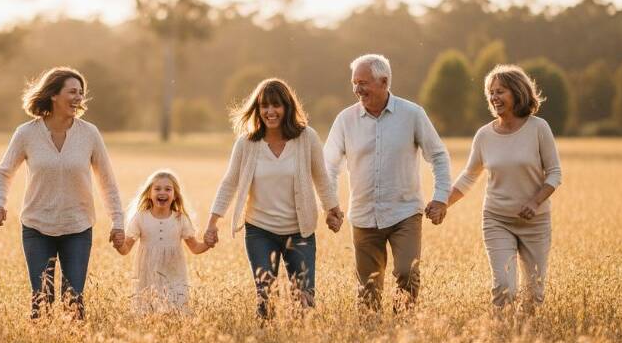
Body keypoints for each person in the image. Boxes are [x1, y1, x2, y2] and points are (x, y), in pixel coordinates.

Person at [0, 67, 125, 320]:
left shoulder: (89, 133)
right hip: (37, 226)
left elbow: (107, 181)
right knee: (42, 298)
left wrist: (118, 222)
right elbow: (3, 172)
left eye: (81, 93)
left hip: (78, 226)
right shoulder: (26, 133)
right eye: (72, 92)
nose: (78, 98)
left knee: (74, 299)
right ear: (53, 95)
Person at [205, 78, 342, 318]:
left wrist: (332, 209)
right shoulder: (246, 144)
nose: (270, 111)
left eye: (276, 105)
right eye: (264, 106)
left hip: (300, 230)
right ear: (258, 110)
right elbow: (230, 183)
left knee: (305, 300)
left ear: (287, 107)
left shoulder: (306, 138)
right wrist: (213, 222)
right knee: (265, 298)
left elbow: (321, 177)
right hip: (260, 230)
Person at [324, 54, 451, 311]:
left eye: (363, 83)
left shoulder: (413, 114)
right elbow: (329, 165)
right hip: (363, 217)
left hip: (404, 213)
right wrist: (330, 205)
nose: (357, 89)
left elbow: (438, 155)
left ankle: (403, 330)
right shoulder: (345, 120)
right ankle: (373, 338)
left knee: (407, 273)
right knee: (368, 289)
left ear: (384, 81)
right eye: (354, 83)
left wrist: (440, 196)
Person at [446, 64, 562, 309]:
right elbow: (469, 177)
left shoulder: (538, 128)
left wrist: (534, 201)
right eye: (491, 92)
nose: (494, 97)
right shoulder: (484, 136)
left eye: (501, 91)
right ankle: (500, 339)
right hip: (497, 219)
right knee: (504, 288)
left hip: (536, 223)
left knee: (534, 295)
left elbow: (554, 173)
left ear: (518, 93)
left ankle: (524, 341)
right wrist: (441, 203)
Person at [115, 170, 213, 314]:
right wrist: (118, 244)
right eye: (157, 189)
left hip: (174, 274)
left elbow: (195, 248)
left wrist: (208, 243)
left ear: (175, 195)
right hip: (147, 277)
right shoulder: (140, 218)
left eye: (168, 189)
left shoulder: (180, 219)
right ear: (149, 193)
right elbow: (125, 249)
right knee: (147, 312)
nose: (162, 192)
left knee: (176, 311)